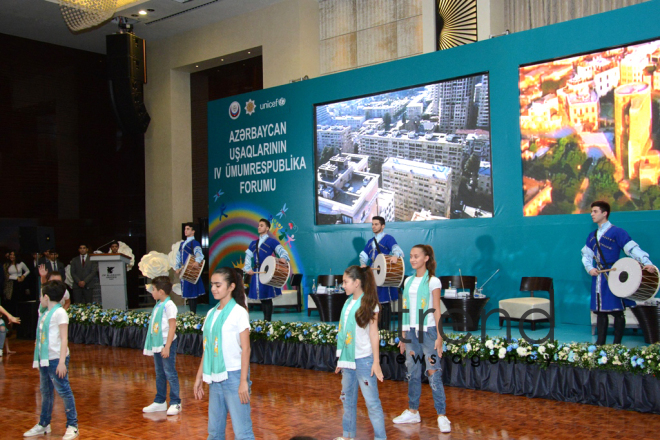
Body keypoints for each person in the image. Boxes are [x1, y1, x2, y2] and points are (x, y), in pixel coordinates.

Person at [581, 200, 656, 345]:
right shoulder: (592, 236)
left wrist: (647, 263)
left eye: (595, 211)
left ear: (605, 213)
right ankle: (600, 343)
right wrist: (590, 268)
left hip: (613, 276)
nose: (592, 214)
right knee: (600, 312)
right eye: (591, 211)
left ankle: (616, 345)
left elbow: (632, 249)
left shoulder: (617, 232)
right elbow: (586, 255)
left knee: (617, 311)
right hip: (598, 278)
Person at [394, 244, 450, 433]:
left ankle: (441, 415)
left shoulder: (433, 281)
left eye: (416, 256)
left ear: (426, 258)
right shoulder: (408, 280)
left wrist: (440, 336)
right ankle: (413, 411)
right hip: (411, 332)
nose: (412, 259)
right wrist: (402, 335)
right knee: (412, 371)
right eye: (411, 256)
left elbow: (436, 309)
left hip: (428, 332)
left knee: (433, 371)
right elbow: (405, 309)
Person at [194, 267, 254, 440]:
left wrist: (243, 382)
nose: (213, 288)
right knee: (214, 432)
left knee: (243, 432)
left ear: (231, 286)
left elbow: (246, 349)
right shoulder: (211, 313)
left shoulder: (239, 312)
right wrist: (199, 377)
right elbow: (207, 349)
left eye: (218, 285)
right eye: (212, 284)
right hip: (215, 377)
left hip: (234, 377)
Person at [334, 265, 386, 440]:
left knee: (372, 404)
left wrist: (376, 362)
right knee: (347, 401)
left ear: (357, 283)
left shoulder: (369, 304)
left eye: (345, 282)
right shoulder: (347, 303)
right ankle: (347, 436)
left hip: (364, 361)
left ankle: (380, 437)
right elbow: (343, 333)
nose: (343, 285)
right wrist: (341, 360)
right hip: (348, 362)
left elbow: (373, 334)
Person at [24, 280, 79, 440]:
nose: (40, 298)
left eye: (41, 295)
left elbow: (64, 338)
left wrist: (62, 362)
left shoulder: (60, 312)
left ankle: (72, 425)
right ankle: (43, 423)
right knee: (46, 392)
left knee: (63, 390)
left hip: (56, 358)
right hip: (44, 358)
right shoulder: (46, 312)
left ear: (46, 297)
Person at [143, 276, 182, 416]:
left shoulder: (169, 305)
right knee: (160, 372)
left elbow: (172, 327)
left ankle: (176, 402)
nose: (151, 292)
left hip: (166, 343)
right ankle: (160, 401)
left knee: (169, 372)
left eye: (153, 289)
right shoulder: (159, 304)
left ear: (160, 291)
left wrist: (167, 347)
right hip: (158, 343)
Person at [359, 216, 404, 330]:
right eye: (372, 224)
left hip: (383, 273)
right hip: (372, 275)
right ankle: (375, 329)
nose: (373, 226)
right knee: (373, 301)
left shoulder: (388, 238)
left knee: (384, 302)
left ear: (382, 226)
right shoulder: (370, 242)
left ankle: (385, 330)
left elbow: (397, 249)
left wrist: (395, 256)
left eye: (376, 224)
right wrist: (363, 263)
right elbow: (363, 255)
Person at [243, 218, 290, 322]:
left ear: (267, 228)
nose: (259, 227)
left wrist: (283, 257)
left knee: (267, 298)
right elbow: (248, 256)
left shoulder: (272, 241)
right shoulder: (253, 243)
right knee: (262, 298)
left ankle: (267, 321)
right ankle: (266, 322)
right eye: (259, 225)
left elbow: (281, 250)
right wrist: (247, 268)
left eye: (262, 225)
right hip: (256, 273)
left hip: (267, 272)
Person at [174, 223, 205, 314]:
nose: (185, 231)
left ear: (193, 231)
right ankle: (191, 313)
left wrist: (197, 261)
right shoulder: (182, 244)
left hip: (190, 270)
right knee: (188, 292)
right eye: (185, 229)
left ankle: (193, 313)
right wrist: (178, 267)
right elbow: (178, 256)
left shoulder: (194, 243)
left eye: (188, 229)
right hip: (184, 271)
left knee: (192, 293)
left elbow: (199, 253)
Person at [3, 250, 30, 315]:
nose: (12, 256)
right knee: (12, 303)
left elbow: (28, 271)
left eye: (13, 255)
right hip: (11, 284)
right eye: (11, 255)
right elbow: (6, 275)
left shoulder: (21, 263)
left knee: (20, 302)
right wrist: (16, 278)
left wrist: (23, 276)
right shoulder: (6, 265)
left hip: (20, 284)